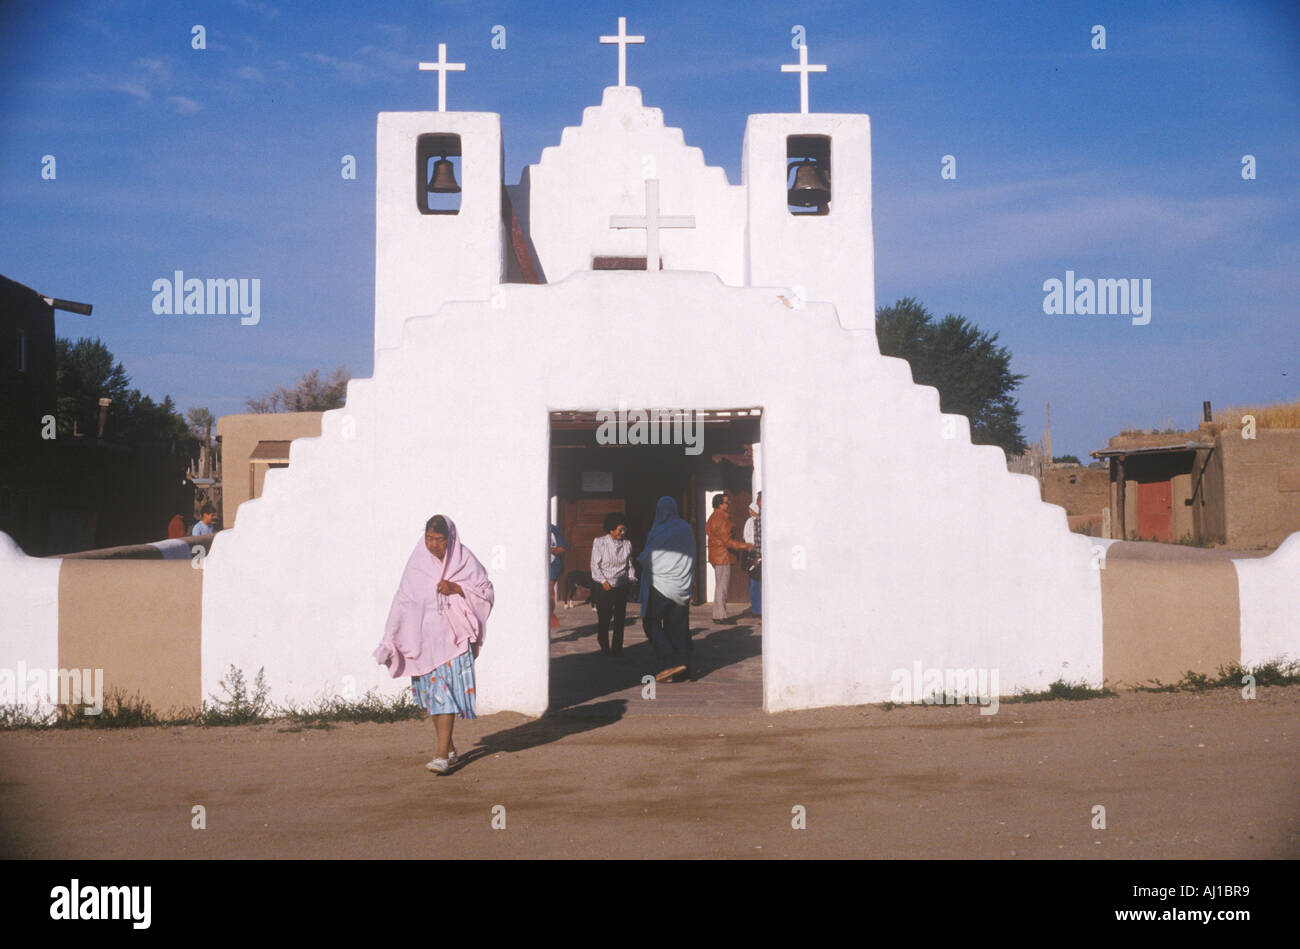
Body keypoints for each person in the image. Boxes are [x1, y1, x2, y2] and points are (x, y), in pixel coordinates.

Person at [373, 514, 494, 775]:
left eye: (439, 540)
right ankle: (448, 746)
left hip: (453, 641)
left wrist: (457, 588)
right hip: (424, 643)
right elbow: (403, 600)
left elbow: (485, 590)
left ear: (450, 539)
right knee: (433, 697)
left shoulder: (464, 560)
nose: (433, 545)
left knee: (445, 695)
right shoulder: (417, 563)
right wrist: (390, 638)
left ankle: (441, 756)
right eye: (429, 538)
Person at [637, 496, 696, 682]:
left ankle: (670, 662)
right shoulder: (685, 528)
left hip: (661, 585)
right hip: (681, 585)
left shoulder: (658, 530)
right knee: (677, 628)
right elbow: (691, 554)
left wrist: (640, 559)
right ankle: (684, 671)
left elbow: (650, 555)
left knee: (650, 622)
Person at [590, 512, 636, 655]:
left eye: (624, 530)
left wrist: (631, 579)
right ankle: (604, 646)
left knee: (620, 620)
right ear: (611, 530)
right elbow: (594, 565)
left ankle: (617, 649)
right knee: (604, 619)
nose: (622, 532)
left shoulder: (627, 544)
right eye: (619, 530)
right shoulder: (600, 542)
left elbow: (629, 565)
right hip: (605, 586)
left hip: (621, 586)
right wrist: (603, 582)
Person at [705, 494, 753, 624]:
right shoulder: (720, 518)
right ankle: (721, 616)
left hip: (718, 555)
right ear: (719, 504)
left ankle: (718, 614)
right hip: (723, 556)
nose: (728, 505)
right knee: (722, 587)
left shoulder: (714, 517)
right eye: (726, 503)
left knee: (720, 586)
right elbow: (727, 541)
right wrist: (745, 546)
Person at [742, 491, 762, 617]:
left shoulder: (758, 521)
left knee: (757, 581)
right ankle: (756, 607)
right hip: (752, 552)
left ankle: (759, 607)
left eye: (752, 509)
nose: (750, 512)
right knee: (754, 580)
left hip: (757, 552)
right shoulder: (750, 521)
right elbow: (747, 535)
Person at [549, 523, 566, 629]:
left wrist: (551, 550)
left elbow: (562, 547)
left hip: (552, 564)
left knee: (549, 592)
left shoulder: (554, 529)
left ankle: (550, 616)